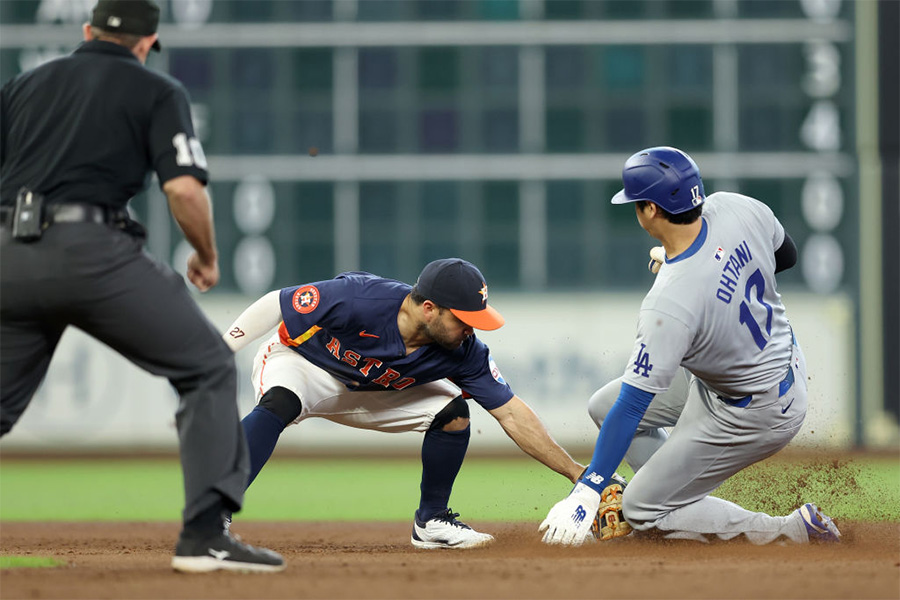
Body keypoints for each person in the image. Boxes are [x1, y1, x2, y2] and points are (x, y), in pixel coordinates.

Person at [0, 0, 284, 573]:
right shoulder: (156, 90)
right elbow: (183, 190)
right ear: (147, 41)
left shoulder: (21, 88)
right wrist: (205, 254)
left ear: (87, 31)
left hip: (9, 251)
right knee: (207, 366)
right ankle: (204, 535)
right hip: (92, 251)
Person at [539, 146, 842, 546]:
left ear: (650, 209)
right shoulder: (736, 207)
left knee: (639, 508)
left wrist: (588, 488)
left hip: (756, 410)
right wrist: (707, 276)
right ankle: (671, 506)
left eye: (635, 203)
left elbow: (633, 407)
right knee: (601, 406)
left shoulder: (670, 302)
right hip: (773, 361)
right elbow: (785, 256)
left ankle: (787, 531)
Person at [222, 258, 586, 549]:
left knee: (453, 412)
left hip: (371, 391)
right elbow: (276, 303)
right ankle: (214, 510)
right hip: (302, 362)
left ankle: (431, 521)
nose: (471, 329)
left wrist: (576, 473)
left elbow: (510, 412)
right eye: (463, 320)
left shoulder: (464, 351)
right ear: (429, 309)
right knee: (279, 402)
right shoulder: (360, 298)